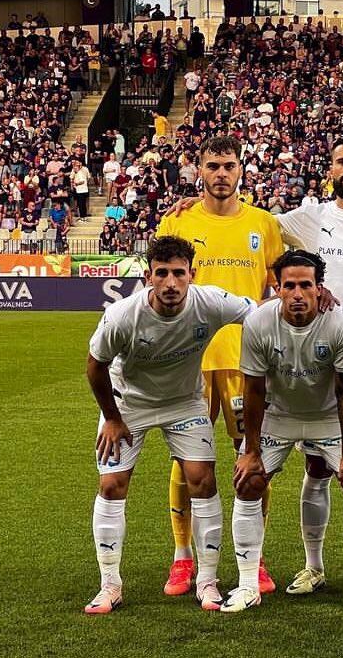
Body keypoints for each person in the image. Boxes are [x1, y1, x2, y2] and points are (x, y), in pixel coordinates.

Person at [172, 136, 343, 593]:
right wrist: (197, 201)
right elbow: (240, 221)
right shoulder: (303, 219)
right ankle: (312, 565)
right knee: (312, 469)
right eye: (341, 160)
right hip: (303, 354)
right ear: (329, 169)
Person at [84, 236, 256, 614]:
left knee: (202, 479)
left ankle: (207, 581)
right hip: (129, 403)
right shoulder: (122, 316)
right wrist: (112, 418)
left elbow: (258, 315)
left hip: (184, 403)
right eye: (162, 274)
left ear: (191, 275)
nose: (171, 283)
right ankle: (109, 585)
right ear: (148, 277)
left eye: (179, 273)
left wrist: (312, 301)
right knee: (112, 484)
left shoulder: (210, 302)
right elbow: (95, 365)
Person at [155, 135, 284, 598]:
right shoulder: (178, 218)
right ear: (199, 170)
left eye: (229, 165)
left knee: (252, 456)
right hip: (186, 359)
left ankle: (256, 557)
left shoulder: (264, 224)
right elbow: (160, 281)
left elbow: (277, 287)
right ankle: (183, 558)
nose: (221, 174)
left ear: (241, 170)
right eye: (213, 166)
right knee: (184, 458)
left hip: (244, 359)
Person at [224, 250, 343, 613]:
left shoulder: (342, 323)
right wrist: (251, 449)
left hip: (326, 416)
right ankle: (248, 585)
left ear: (318, 288)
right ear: (276, 288)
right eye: (288, 285)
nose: (297, 293)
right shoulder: (259, 323)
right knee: (248, 481)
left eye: (305, 285)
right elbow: (254, 390)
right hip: (280, 415)